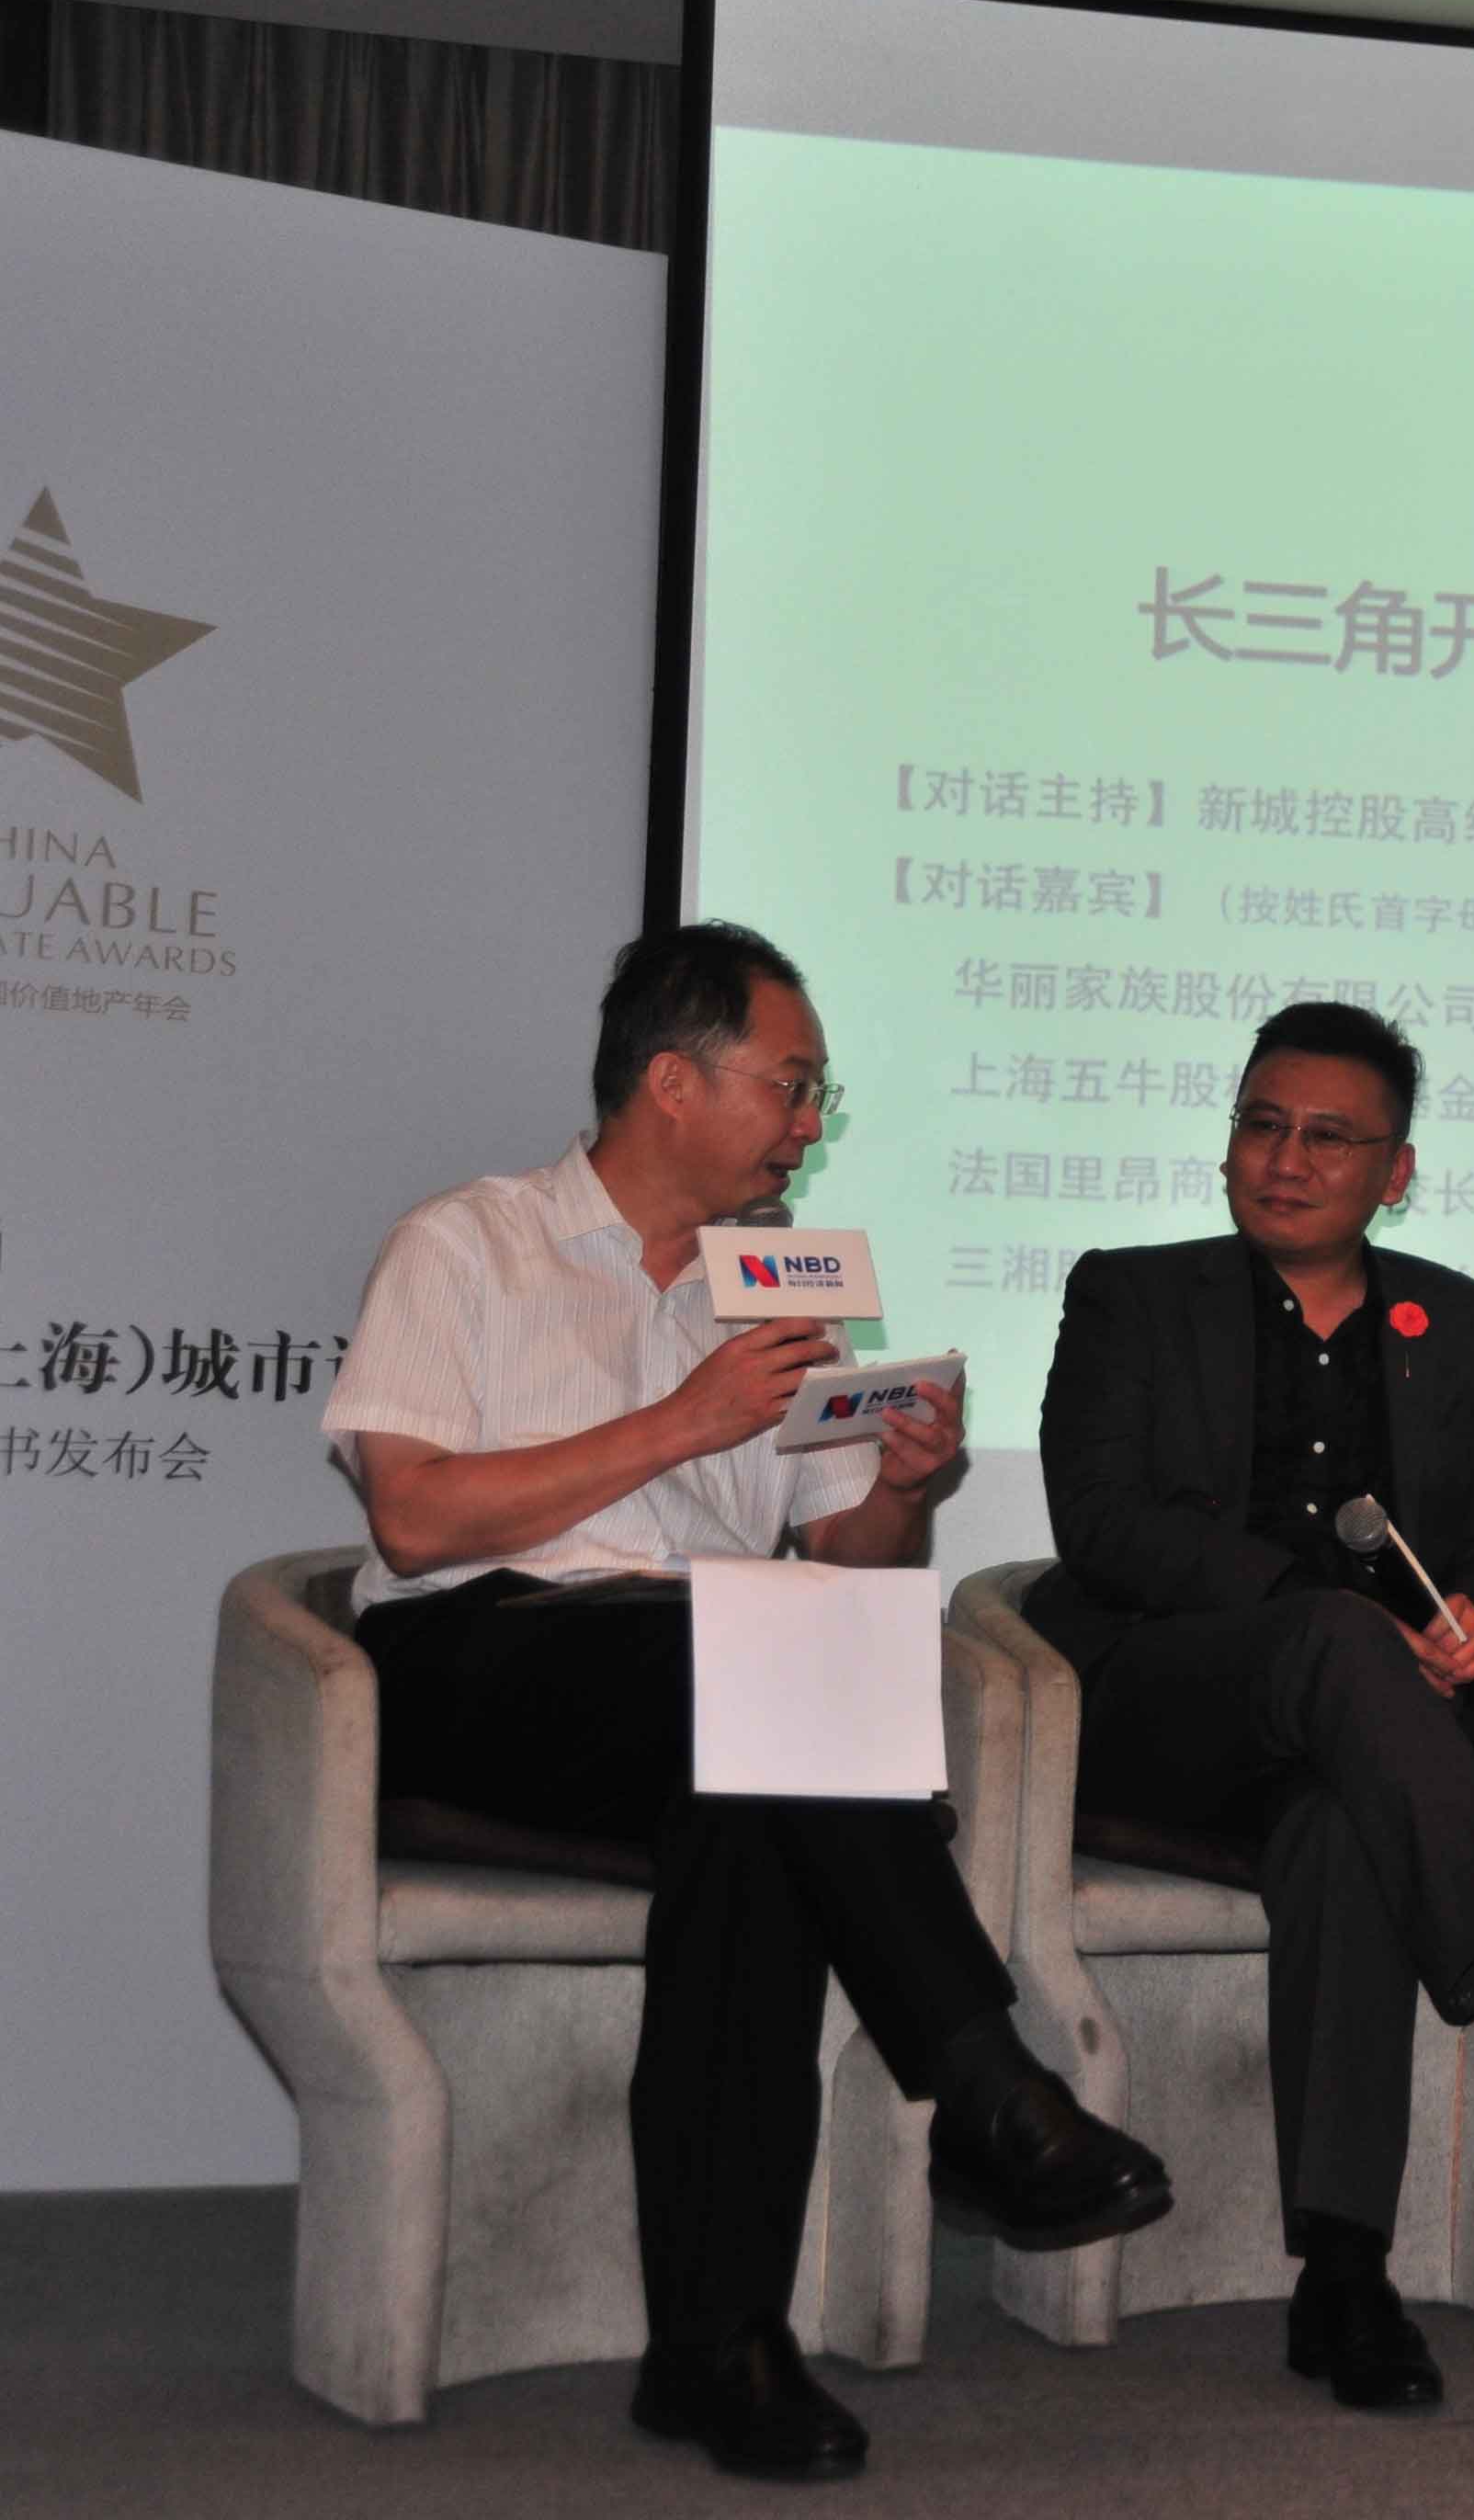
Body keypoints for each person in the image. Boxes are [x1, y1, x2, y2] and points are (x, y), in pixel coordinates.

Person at [322, 922, 1173, 2483]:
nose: (808, 1123)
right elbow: (416, 1519)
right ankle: (983, 2087)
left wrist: (903, 1488)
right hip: (482, 1659)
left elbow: (850, 1564)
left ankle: (718, 2350)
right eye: (790, 1086)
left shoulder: (778, 1284)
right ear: (672, 1082)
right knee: (756, 1677)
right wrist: (681, 1422)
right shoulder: (468, 1243)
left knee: (756, 1818)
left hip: (712, 1682)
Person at [1026, 1000, 1474, 2410]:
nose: (1285, 1159)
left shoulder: (1459, 1323)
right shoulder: (1132, 1296)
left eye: (1328, 1138)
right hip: (1167, 1704)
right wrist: (1311, 1606)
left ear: (1397, 1172)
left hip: (1363, 1742)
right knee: (1334, 1631)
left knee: (1345, 1832)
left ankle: (1344, 2274)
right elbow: (1100, 1523)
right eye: (1261, 1125)